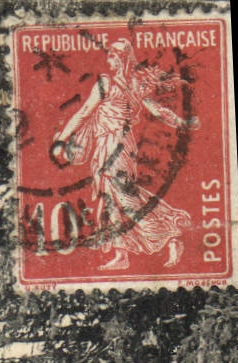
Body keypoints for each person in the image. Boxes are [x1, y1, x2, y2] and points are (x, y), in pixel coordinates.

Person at [51, 39, 197, 271]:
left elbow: (84, 112)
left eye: (111, 56)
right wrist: (182, 122)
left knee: (126, 199)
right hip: (110, 144)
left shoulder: (107, 84)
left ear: (120, 59)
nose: (108, 61)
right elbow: (158, 111)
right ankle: (121, 254)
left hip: (115, 145)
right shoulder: (136, 85)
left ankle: (169, 237)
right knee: (109, 197)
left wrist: (61, 139)